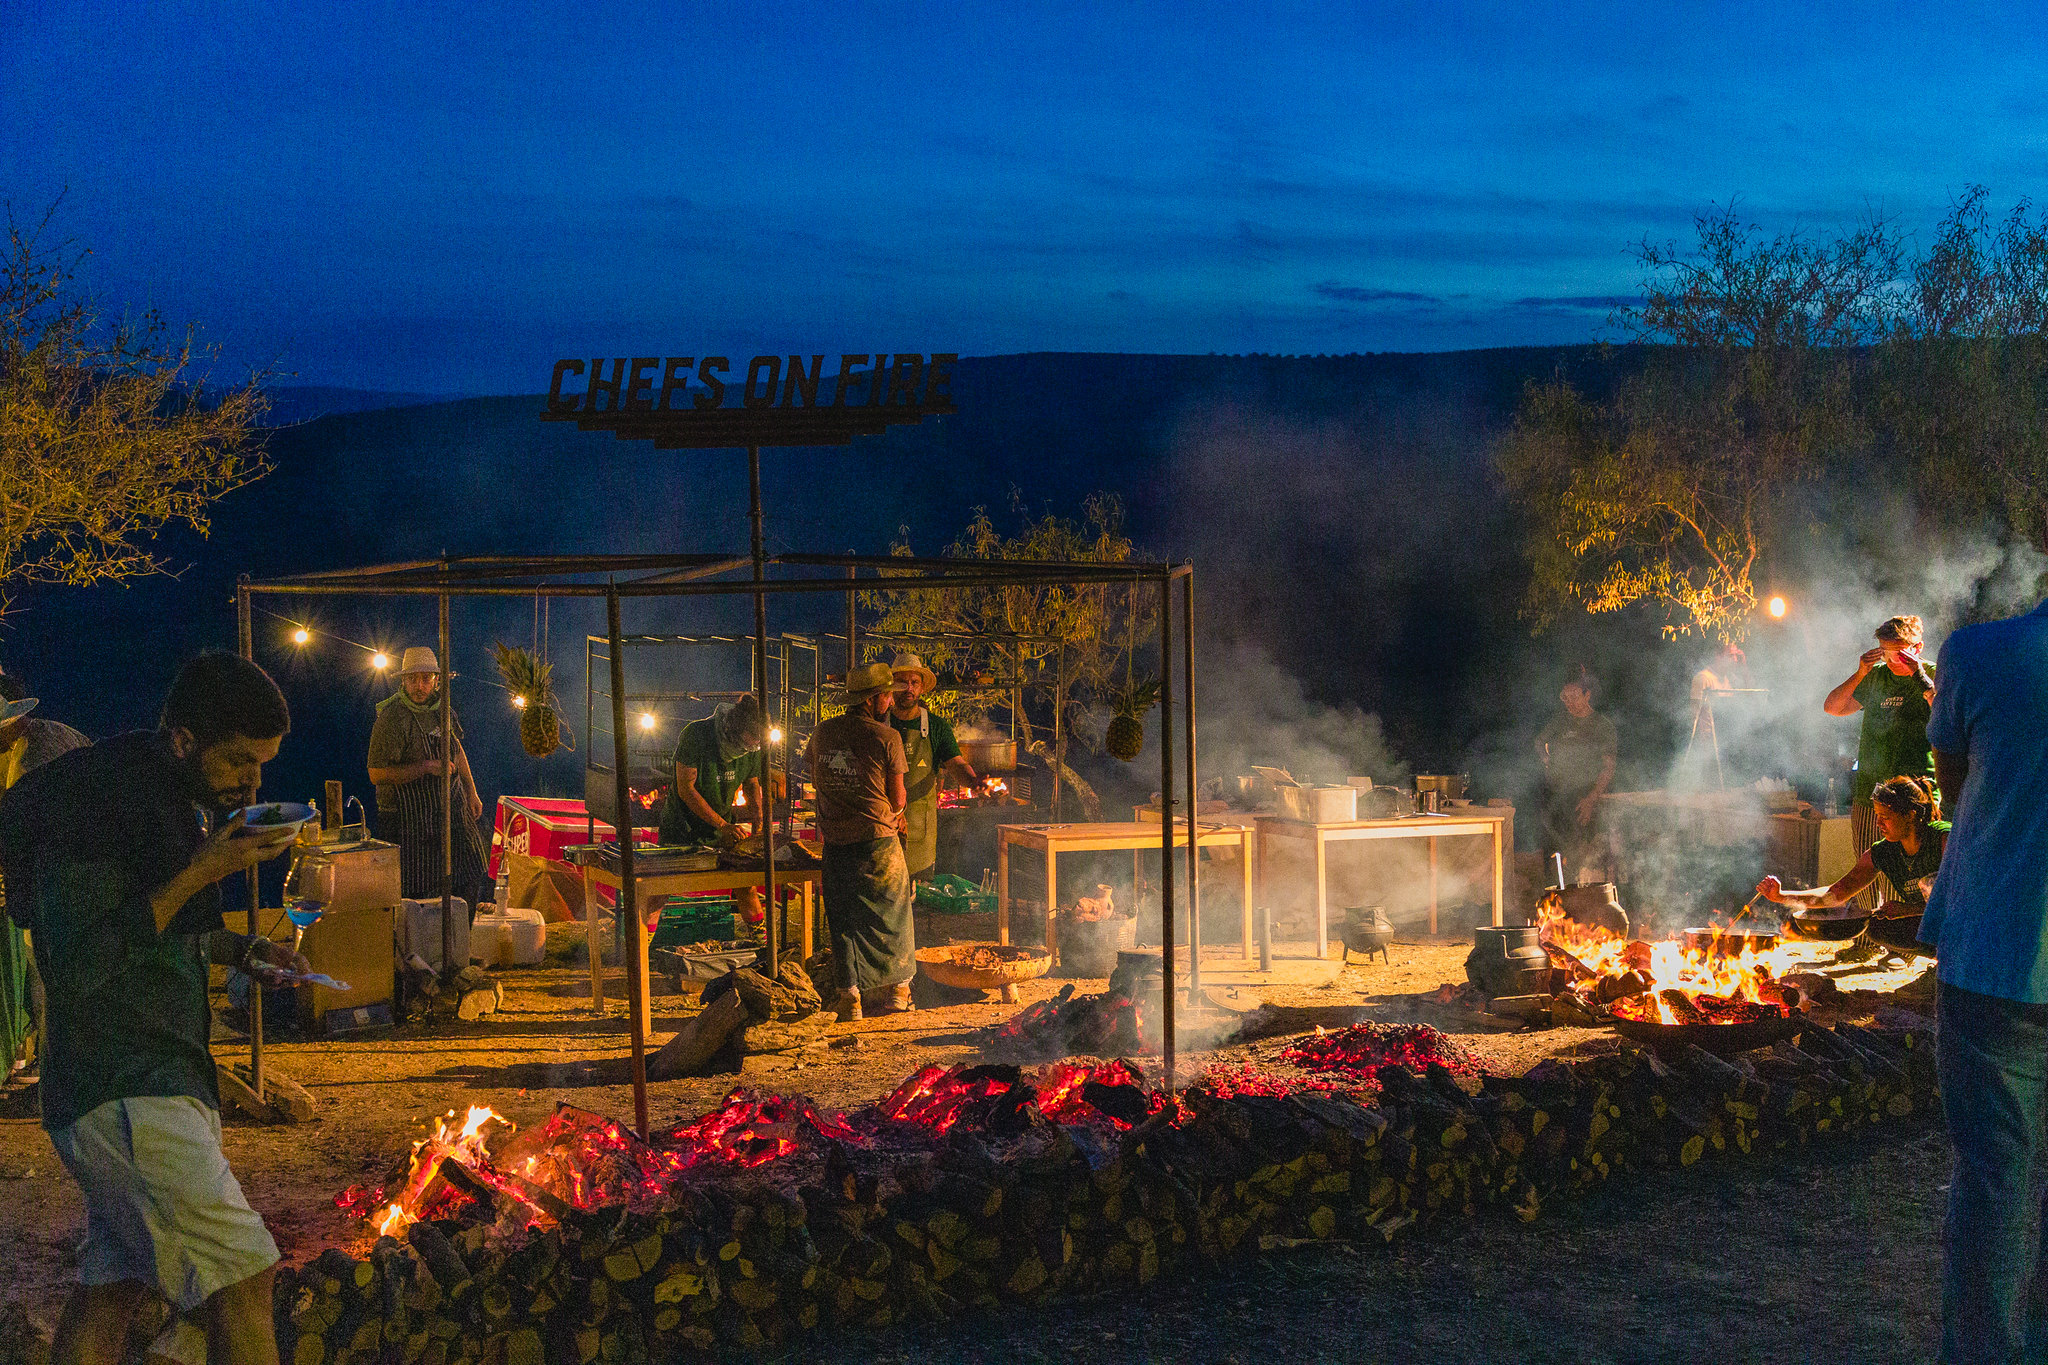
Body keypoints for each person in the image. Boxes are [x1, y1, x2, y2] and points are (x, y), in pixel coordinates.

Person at [0, 652, 307, 1365]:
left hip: (146, 1082)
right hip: (124, 1083)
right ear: (184, 740)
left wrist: (241, 950)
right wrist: (209, 868)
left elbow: (163, 929)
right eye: (238, 762)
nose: (252, 782)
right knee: (245, 1277)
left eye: (262, 766)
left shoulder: (159, 801)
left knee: (112, 1291)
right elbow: (80, 965)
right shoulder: (99, 806)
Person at [1905, 599, 2048, 1362]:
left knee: (1994, 1183)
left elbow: (1956, 793)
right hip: (2001, 955)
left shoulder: (1978, 654)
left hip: (1999, 950)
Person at [803, 662, 909, 1021]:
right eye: (888, 695)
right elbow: (897, 800)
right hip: (877, 841)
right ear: (875, 699)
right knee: (892, 915)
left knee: (843, 920)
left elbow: (814, 775)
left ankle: (849, 996)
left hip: (836, 842)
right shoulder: (886, 738)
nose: (892, 701)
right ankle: (898, 991)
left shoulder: (821, 733)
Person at [1824, 615, 1936, 904]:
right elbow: (1833, 707)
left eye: (1900, 652)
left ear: (1918, 647)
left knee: (1919, 868)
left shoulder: (1935, 673)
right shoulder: (1876, 677)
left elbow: (1947, 711)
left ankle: (1913, 936)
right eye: (1885, 652)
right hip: (1871, 789)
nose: (1893, 659)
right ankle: (1864, 941)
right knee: (1867, 862)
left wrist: (1919, 676)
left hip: (1917, 792)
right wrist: (1861, 672)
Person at [366, 647, 489, 911]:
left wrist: (472, 792)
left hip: (450, 808)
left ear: (436, 680)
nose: (419, 686)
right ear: (403, 681)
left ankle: (459, 944)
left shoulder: (442, 710)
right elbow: (376, 774)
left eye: (425, 678)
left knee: (471, 868)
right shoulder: (392, 718)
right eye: (412, 679)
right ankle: (421, 950)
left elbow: (456, 749)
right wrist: (424, 767)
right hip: (408, 819)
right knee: (418, 892)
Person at [1755, 774, 1945, 943]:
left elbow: (1964, 901)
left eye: (1885, 817)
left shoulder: (1944, 840)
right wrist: (1782, 896)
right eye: (1877, 816)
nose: (1878, 823)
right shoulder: (1883, 852)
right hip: (1930, 921)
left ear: (1910, 815)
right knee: (1879, 927)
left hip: (1962, 923)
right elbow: (1836, 893)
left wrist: (1908, 910)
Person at [656, 695, 769, 922]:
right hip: (682, 828)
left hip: (722, 832)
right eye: (748, 743)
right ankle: (641, 951)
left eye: (755, 744)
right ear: (733, 730)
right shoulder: (696, 735)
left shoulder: (755, 745)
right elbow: (686, 789)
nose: (751, 748)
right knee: (658, 890)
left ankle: (762, 948)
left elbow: (752, 784)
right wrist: (723, 824)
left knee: (745, 885)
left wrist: (759, 828)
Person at [885, 653, 978, 881]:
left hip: (920, 831)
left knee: (920, 901)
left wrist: (977, 783)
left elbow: (956, 764)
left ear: (922, 688)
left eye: (914, 683)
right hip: (882, 825)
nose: (908, 688)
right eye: (901, 682)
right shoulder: (879, 724)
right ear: (890, 686)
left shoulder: (936, 727)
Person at [1535, 672, 1616, 883]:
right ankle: (1553, 904)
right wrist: (1546, 760)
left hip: (1583, 798)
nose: (1569, 702)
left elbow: (1608, 767)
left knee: (1581, 854)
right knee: (1552, 852)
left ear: (1587, 695)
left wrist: (1592, 799)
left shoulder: (1602, 725)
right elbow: (1539, 742)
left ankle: (1582, 903)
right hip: (1555, 796)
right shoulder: (1560, 721)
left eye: (1574, 696)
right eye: (1565, 697)